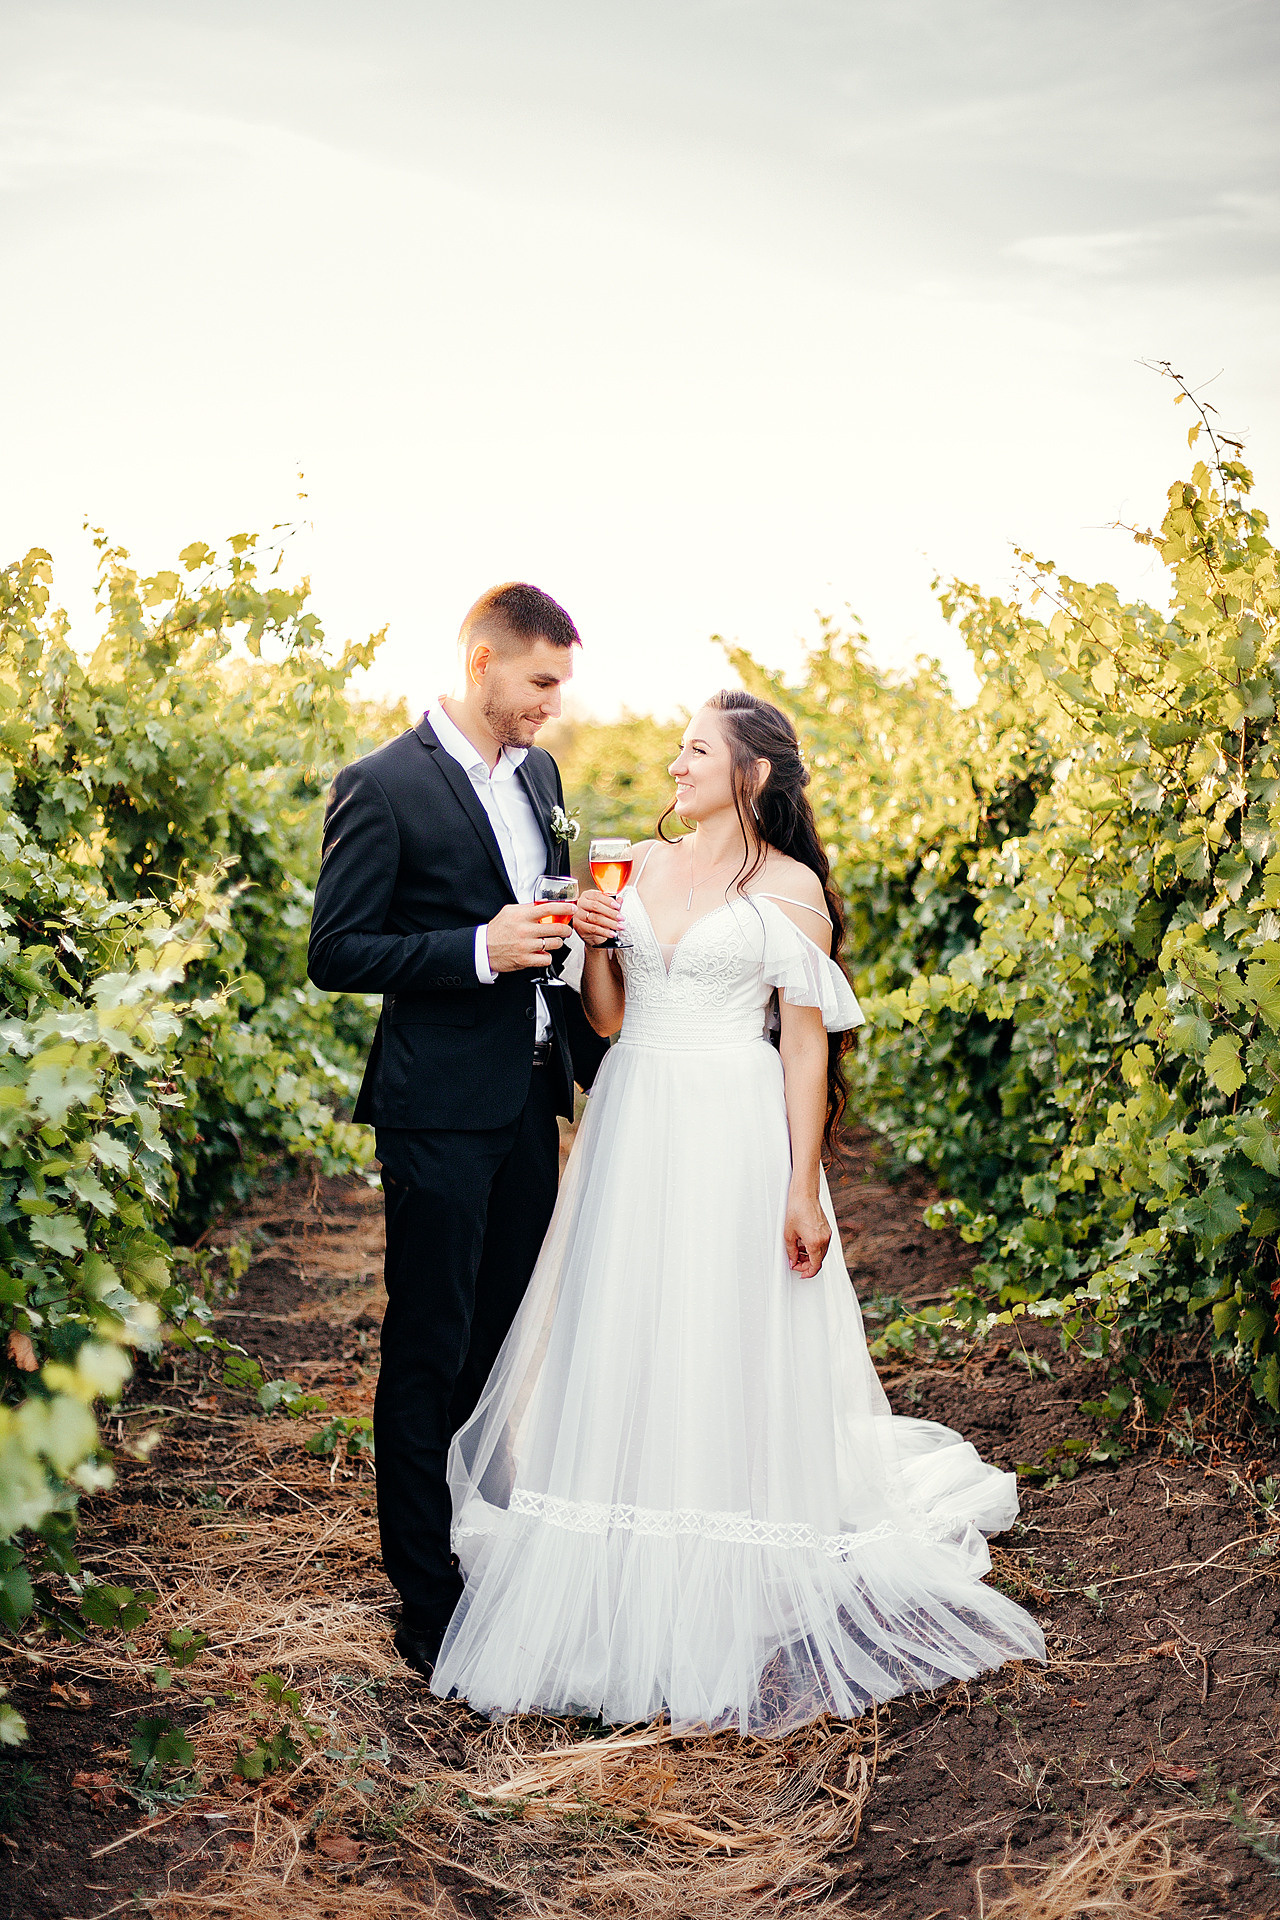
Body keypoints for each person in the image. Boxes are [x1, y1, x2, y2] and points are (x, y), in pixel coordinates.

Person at [431, 689, 1046, 1733]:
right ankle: (618, 1554)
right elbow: (613, 1023)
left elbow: (805, 1043)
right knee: (630, 1324)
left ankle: (724, 1544)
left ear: (749, 773)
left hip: (732, 1120)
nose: (675, 766)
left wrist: (802, 1187)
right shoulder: (640, 865)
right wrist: (602, 944)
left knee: (720, 1325)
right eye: (677, 749)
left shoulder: (790, 887)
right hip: (637, 1115)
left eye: (695, 751)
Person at [307, 582, 607, 1682]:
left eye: (560, 687)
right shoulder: (380, 787)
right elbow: (337, 952)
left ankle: (479, 1543)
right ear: (482, 661)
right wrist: (477, 947)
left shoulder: (540, 777)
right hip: (434, 1105)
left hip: (529, 1095)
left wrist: (576, 928)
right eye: (540, 683)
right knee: (429, 1344)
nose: (551, 707)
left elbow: (547, 908)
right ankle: (425, 1596)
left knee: (500, 1336)